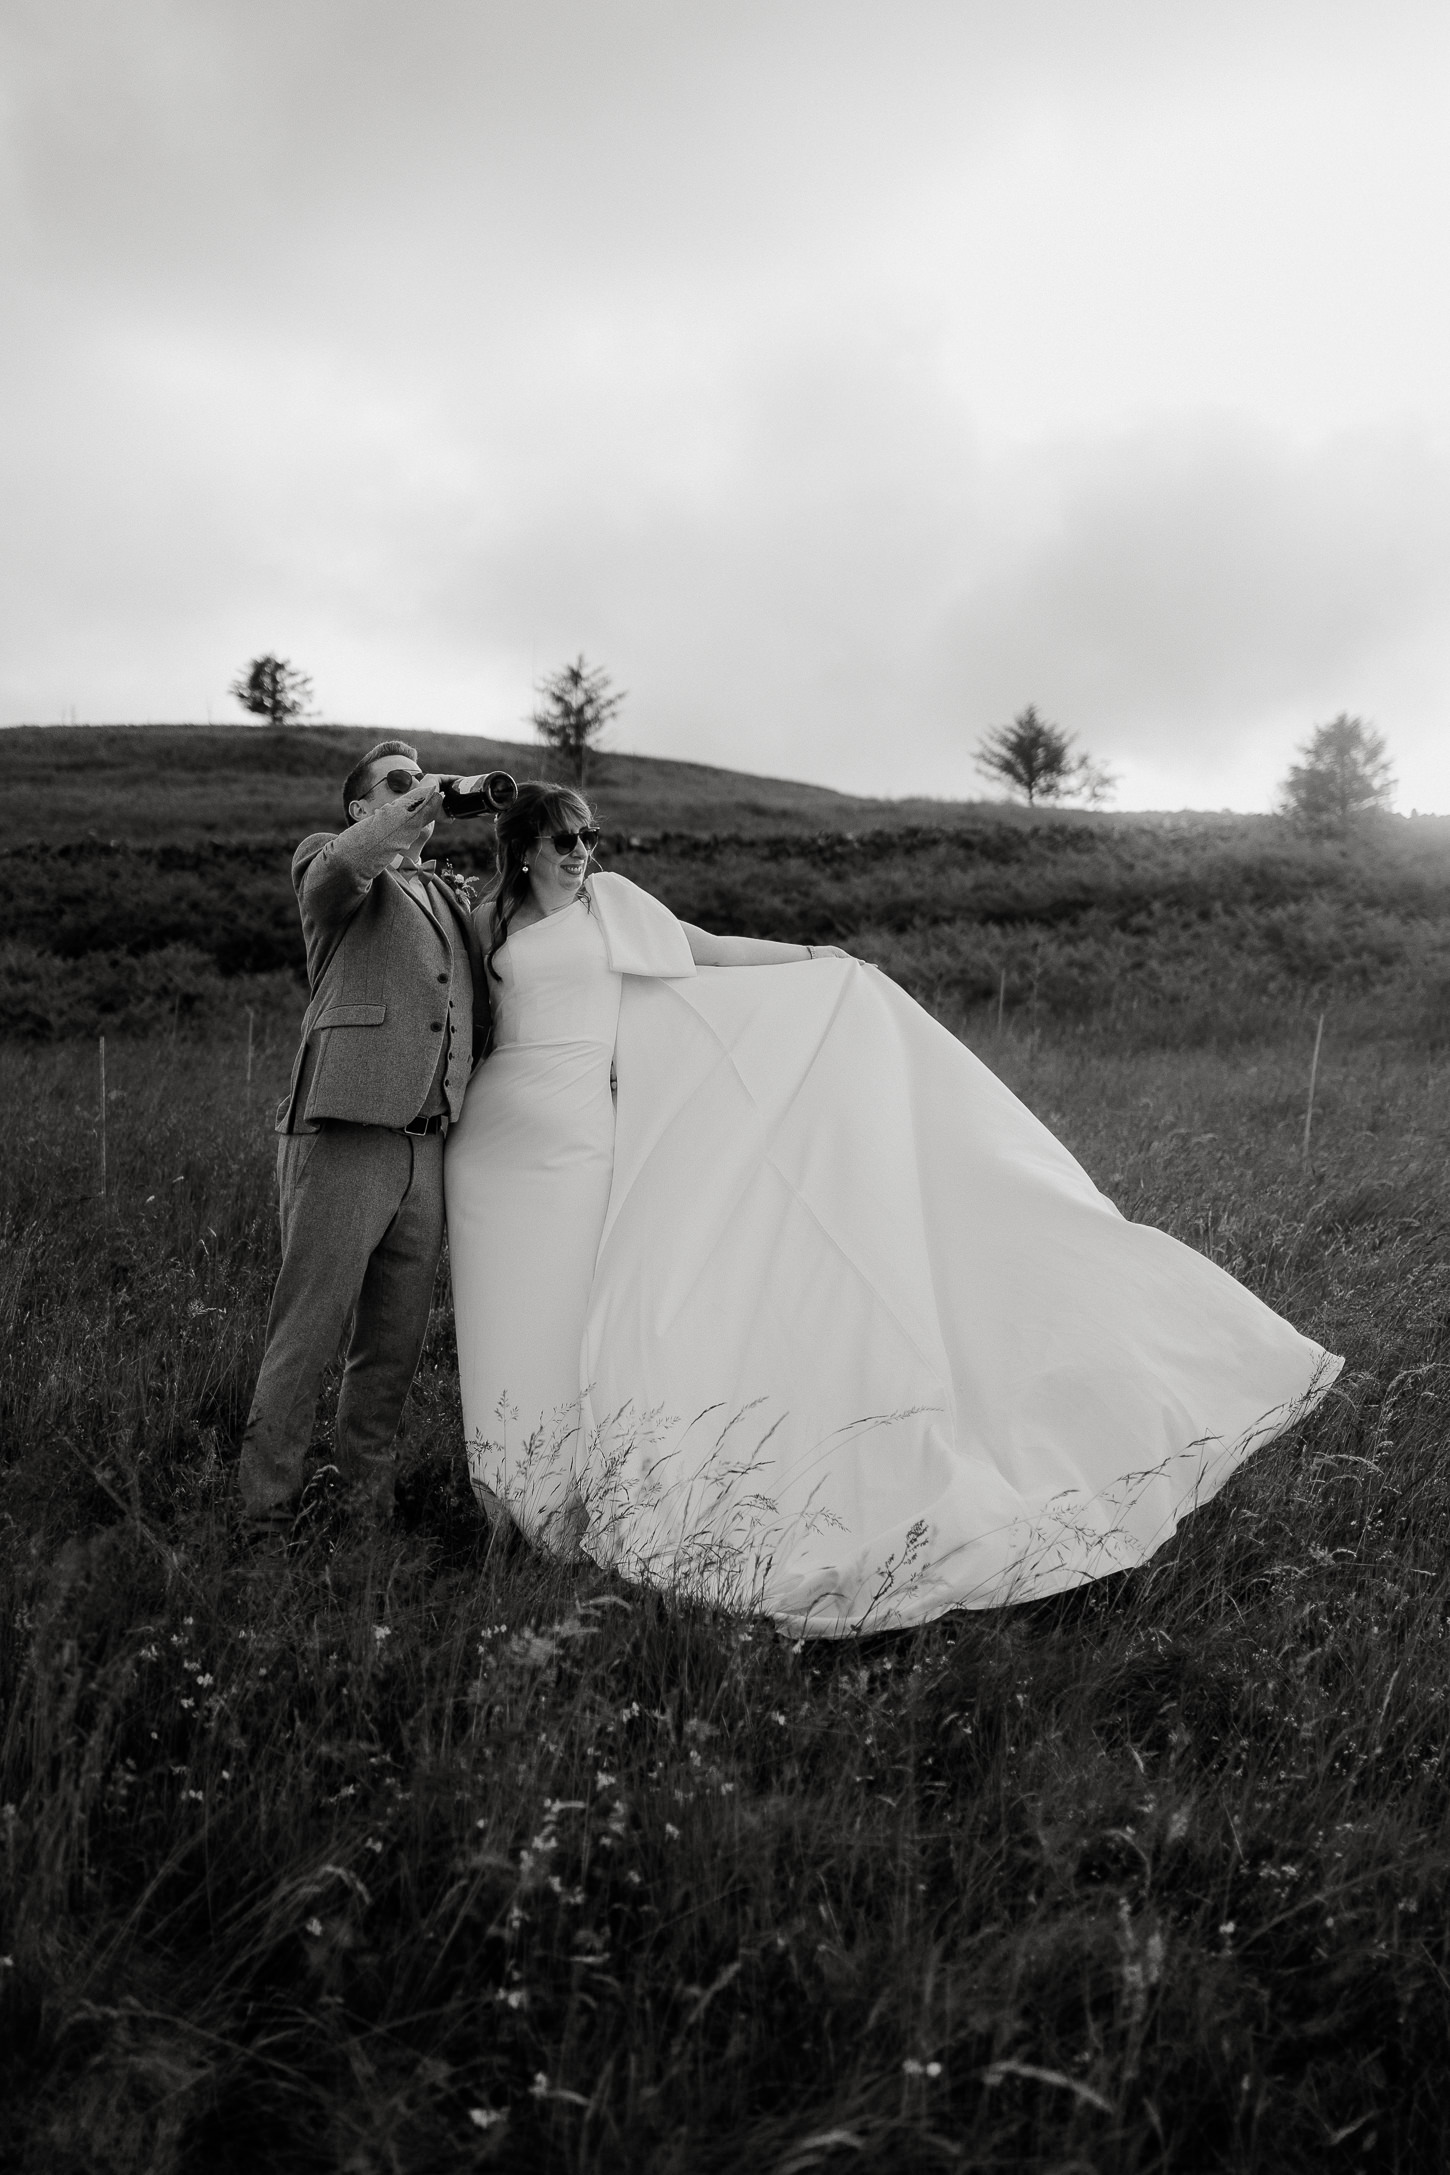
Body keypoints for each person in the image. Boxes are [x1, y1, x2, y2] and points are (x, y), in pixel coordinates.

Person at [444, 781, 1342, 1635]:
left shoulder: (613, 907)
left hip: (577, 1142)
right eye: (567, 840)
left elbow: (706, 948)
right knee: (498, 1316)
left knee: (561, 1311)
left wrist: (817, 963)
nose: (583, 853)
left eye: (592, 838)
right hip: (492, 1143)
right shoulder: (486, 922)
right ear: (522, 850)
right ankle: (499, 1506)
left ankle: (555, 1501)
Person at [238, 740, 491, 1542]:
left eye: (423, 777)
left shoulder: (445, 893)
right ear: (363, 806)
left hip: (430, 1146)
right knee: (307, 1335)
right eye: (400, 782)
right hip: (348, 1128)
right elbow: (348, 864)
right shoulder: (333, 865)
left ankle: (363, 1521)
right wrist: (432, 798)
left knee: (391, 1354)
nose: (420, 788)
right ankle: (263, 1518)